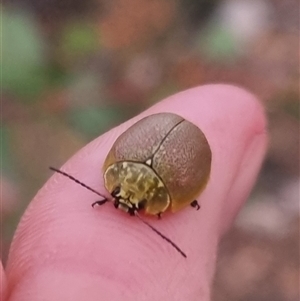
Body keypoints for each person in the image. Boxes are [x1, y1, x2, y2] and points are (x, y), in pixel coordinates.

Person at [1, 84, 267, 301]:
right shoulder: (143, 182)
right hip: (165, 133)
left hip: (176, 140)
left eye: (123, 197)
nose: (125, 204)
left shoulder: (162, 186)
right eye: (120, 195)